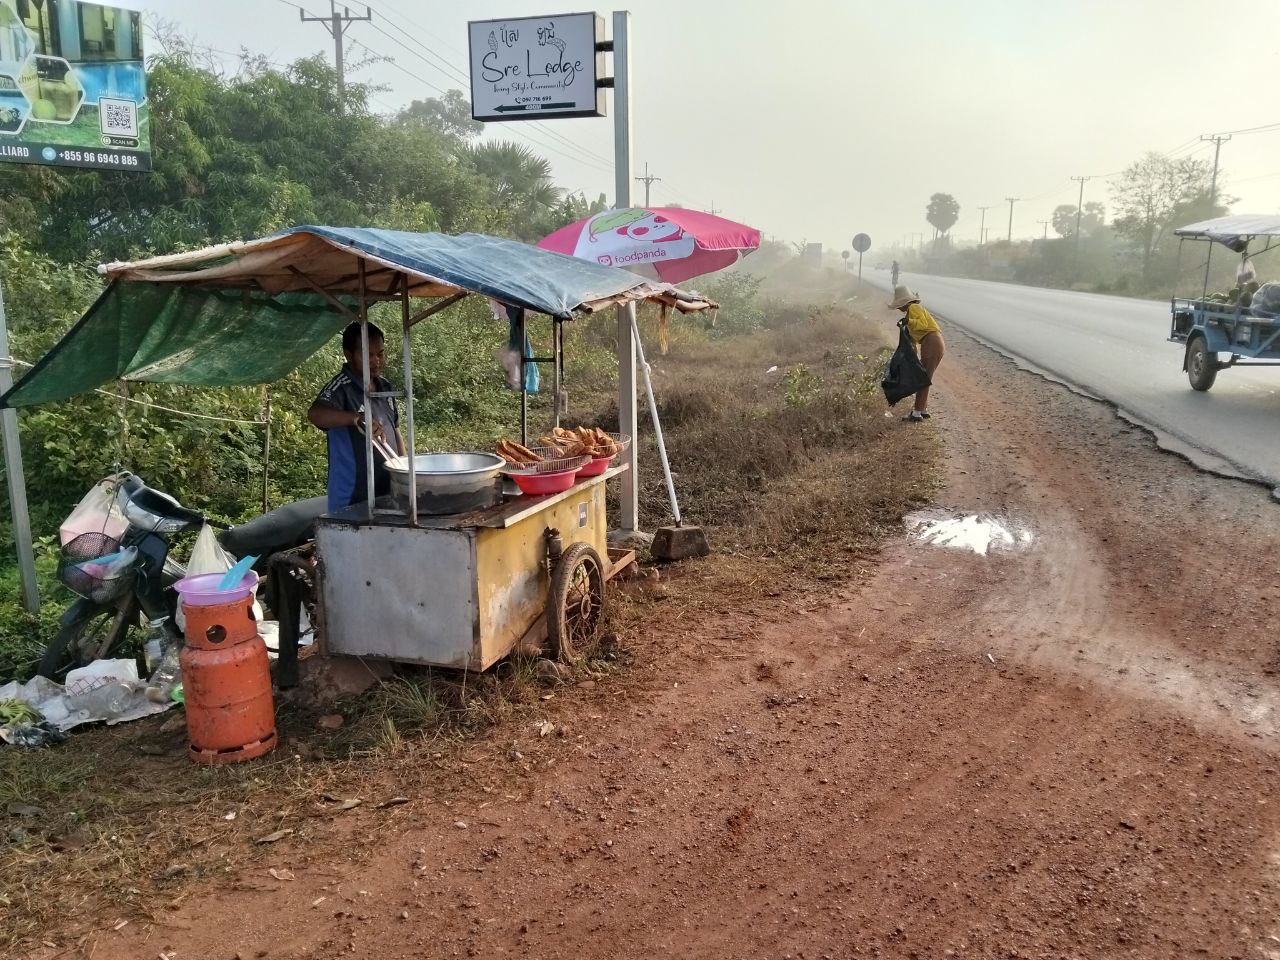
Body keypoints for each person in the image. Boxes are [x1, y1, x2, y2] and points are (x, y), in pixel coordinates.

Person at [308, 321, 404, 512]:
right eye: (368, 355)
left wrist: (405, 470)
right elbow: (315, 414)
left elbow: (396, 430)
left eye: (380, 354)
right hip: (352, 498)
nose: (376, 361)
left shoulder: (385, 388)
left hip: (387, 491)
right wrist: (355, 418)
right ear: (349, 355)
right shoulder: (340, 387)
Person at [888, 284, 944, 422]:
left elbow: (923, 325)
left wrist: (908, 321)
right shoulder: (912, 311)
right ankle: (923, 410)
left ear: (904, 302)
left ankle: (917, 413)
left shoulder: (914, 307)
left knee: (923, 380)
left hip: (932, 342)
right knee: (924, 377)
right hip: (931, 343)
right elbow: (912, 341)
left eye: (899, 305)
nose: (899, 308)